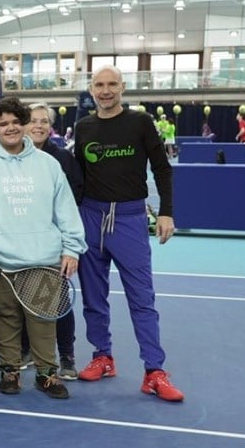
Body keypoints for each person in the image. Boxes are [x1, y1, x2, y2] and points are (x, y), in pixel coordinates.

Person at [0, 97, 85, 399]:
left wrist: (71, 249)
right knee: (6, 316)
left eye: (16, 122)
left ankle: (46, 374)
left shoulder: (49, 164)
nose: (10, 128)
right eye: (3, 123)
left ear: (25, 124)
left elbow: (66, 209)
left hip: (44, 257)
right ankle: (10, 370)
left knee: (43, 319)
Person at [73, 66, 184, 402]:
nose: (105, 91)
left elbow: (162, 168)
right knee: (93, 297)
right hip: (90, 217)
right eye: (99, 85)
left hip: (130, 220)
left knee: (142, 299)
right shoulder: (83, 126)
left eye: (112, 85)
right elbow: (77, 174)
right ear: (91, 90)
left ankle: (154, 371)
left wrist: (165, 211)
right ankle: (102, 357)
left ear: (122, 88)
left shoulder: (140, 122)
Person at [21, 102, 84, 380]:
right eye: (33, 121)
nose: (38, 126)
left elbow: (75, 200)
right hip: (20, 243)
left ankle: (66, 356)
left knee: (57, 301)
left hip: (53, 244)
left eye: (44, 121)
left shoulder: (62, 159)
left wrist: (66, 243)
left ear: (51, 126)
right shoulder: (12, 158)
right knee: (22, 300)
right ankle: (25, 350)